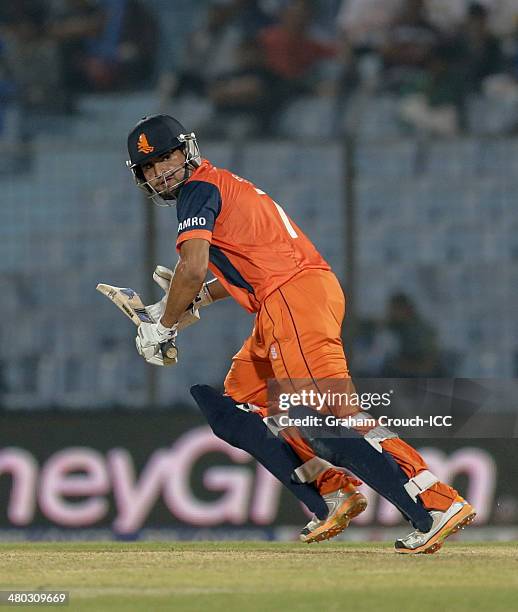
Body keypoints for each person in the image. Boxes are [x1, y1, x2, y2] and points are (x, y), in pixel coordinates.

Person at [125, 114, 475, 553]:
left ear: (186, 151)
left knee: (328, 416)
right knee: (236, 405)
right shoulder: (219, 184)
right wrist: (192, 300)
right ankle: (333, 491)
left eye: (165, 158)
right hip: (286, 299)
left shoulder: (197, 190)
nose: (160, 172)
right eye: (149, 168)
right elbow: (242, 270)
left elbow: (193, 269)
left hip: (293, 299)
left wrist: (165, 325)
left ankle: (435, 503)